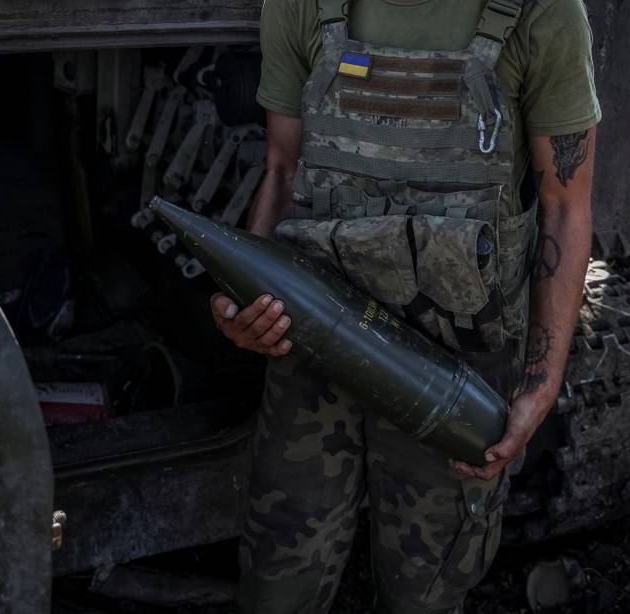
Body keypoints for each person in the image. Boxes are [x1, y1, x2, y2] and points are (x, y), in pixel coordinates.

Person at [210, 0, 600, 611]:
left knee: (426, 587)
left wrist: (540, 385)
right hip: (316, 340)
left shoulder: (541, 12)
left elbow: (566, 205)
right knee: (279, 575)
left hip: (455, 368)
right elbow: (283, 168)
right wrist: (246, 301)